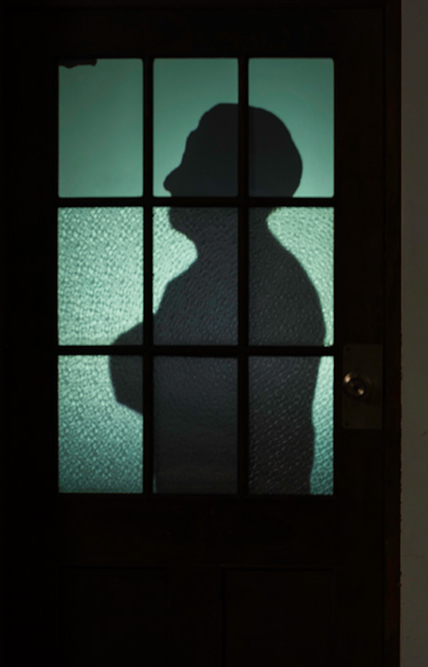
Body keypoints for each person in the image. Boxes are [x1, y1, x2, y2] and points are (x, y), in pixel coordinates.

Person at [110, 104, 323, 494]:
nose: (169, 180)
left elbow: (136, 371)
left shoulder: (248, 282)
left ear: (226, 181)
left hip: (231, 527)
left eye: (190, 164)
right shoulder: (256, 279)